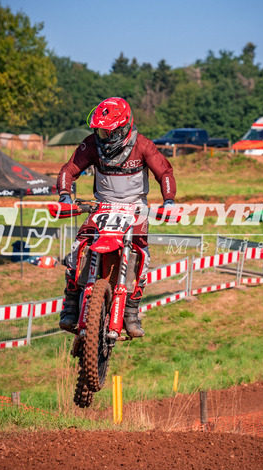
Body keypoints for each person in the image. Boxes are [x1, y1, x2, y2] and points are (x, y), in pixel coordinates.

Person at [57, 97, 176, 338]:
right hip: (102, 206)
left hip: (135, 208)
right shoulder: (92, 144)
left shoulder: (143, 145)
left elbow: (164, 172)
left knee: (142, 254)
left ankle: (131, 311)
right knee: (77, 247)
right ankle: (70, 304)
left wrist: (169, 201)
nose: (105, 136)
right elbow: (69, 170)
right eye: (101, 131)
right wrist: (64, 195)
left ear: (124, 127)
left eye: (109, 131)